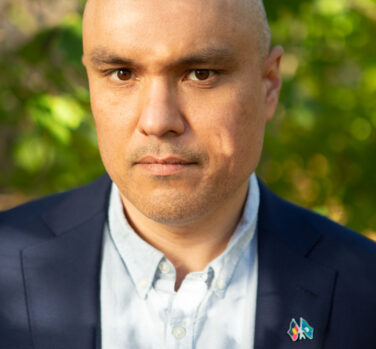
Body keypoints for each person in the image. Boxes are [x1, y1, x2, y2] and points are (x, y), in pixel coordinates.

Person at [1, 0, 375, 348]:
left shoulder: (364, 289)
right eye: (122, 73)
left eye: (200, 74)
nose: (158, 121)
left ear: (269, 85)